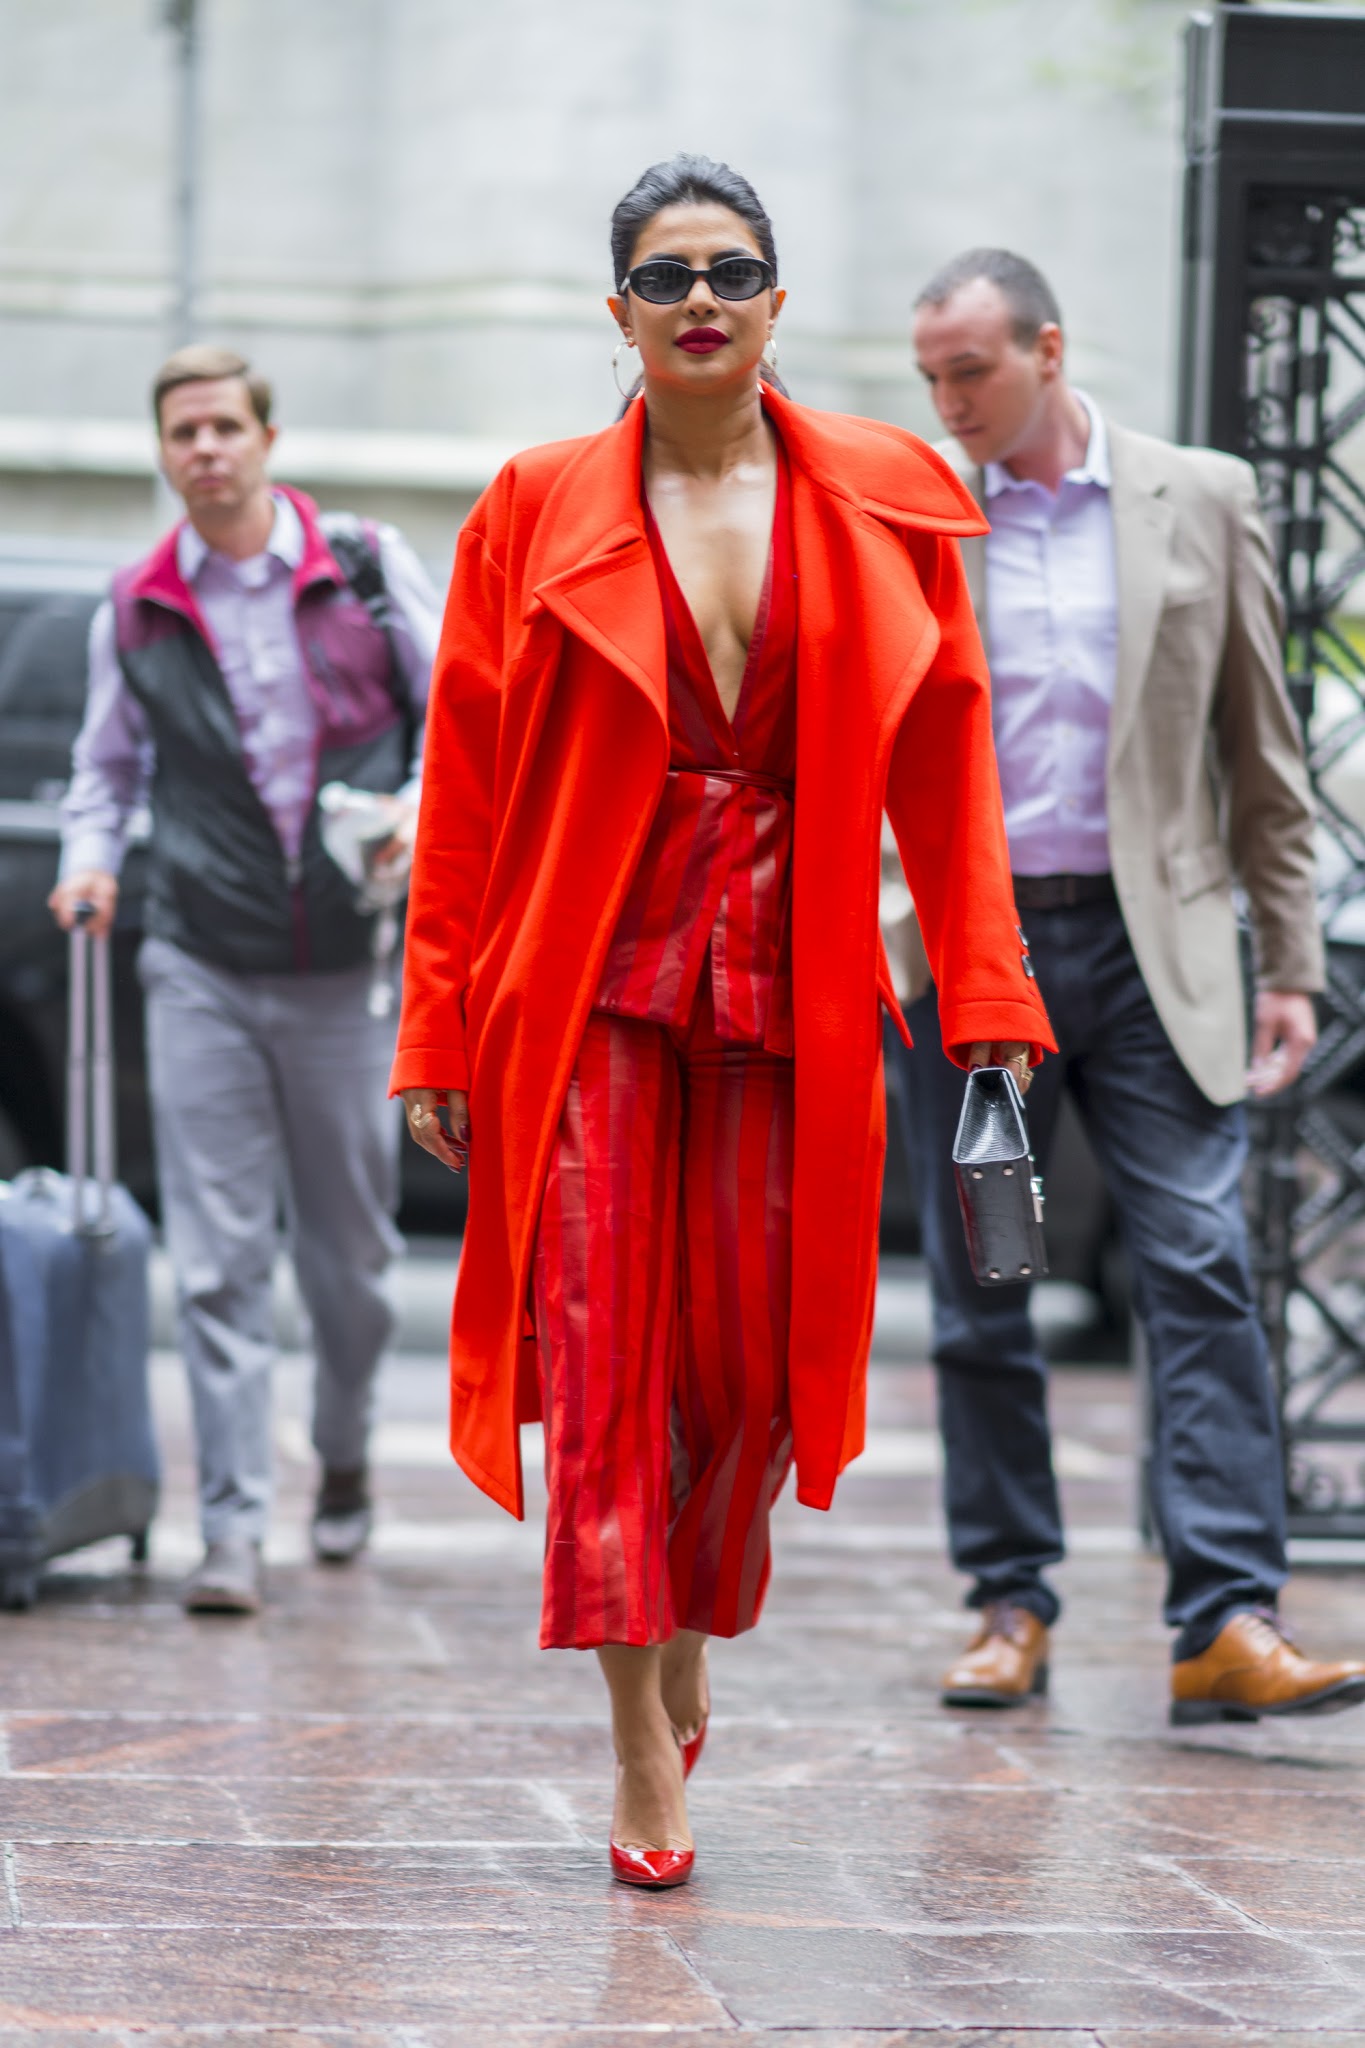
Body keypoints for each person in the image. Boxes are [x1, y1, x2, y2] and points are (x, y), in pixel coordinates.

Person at [394, 156, 1055, 1890]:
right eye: (666, 273)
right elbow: (463, 787)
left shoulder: (889, 497)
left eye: (732, 269)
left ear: (776, 301)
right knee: (602, 1358)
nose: (701, 297)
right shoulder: (531, 504)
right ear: (617, 310)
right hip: (587, 983)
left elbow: (949, 763)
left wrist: (986, 982)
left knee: (751, 1371)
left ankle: (684, 1626)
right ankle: (637, 1738)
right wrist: (436, 1030)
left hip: (794, 974)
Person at [894, 248, 1365, 1722]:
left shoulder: (1199, 495)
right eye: (930, 377)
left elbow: (1261, 752)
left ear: (1049, 349)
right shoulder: (914, 509)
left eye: (972, 370)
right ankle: (1008, 1600)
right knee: (986, 1286)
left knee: (1201, 1264)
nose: (949, 401)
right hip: (979, 959)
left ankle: (1225, 1617)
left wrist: (1290, 960)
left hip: (1157, 948)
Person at [50, 345, 441, 1616]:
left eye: (225, 426)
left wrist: (415, 813)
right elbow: (106, 771)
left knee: (350, 1260)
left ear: (267, 439)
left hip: (346, 966)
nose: (206, 449)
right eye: (184, 432)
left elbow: (461, 721)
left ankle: (342, 1453)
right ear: (165, 453)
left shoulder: (366, 566)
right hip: (200, 960)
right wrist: (90, 861)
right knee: (218, 1259)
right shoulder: (139, 605)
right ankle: (229, 1526)